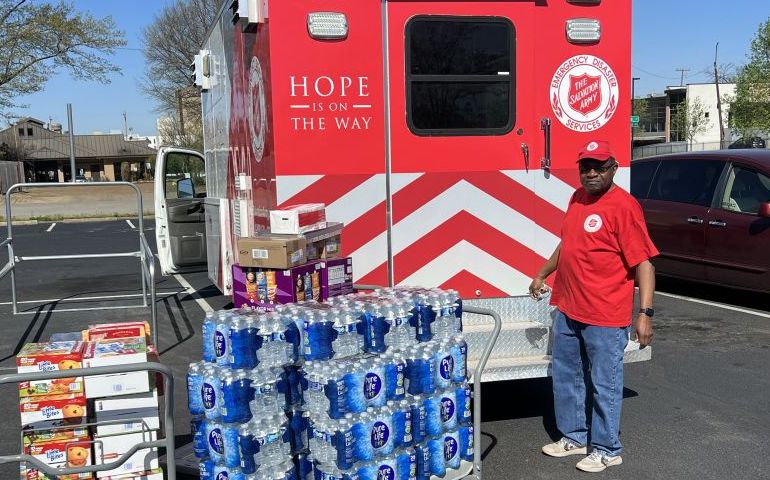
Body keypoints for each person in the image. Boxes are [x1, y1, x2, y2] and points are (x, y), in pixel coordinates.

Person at [529, 140, 658, 473]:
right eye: (585, 167)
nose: (591, 173)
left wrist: (645, 314)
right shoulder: (577, 198)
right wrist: (543, 272)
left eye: (599, 167)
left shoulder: (623, 206)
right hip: (570, 306)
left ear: (613, 168)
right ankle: (573, 437)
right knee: (567, 376)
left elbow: (644, 263)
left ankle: (606, 448)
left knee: (605, 383)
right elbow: (568, 243)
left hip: (605, 313)